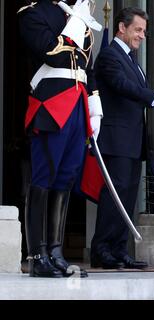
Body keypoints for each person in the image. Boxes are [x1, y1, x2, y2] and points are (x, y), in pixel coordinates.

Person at [90, 7, 154, 270]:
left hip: (132, 141)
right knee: (114, 196)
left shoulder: (132, 59)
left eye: (144, 31)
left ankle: (119, 249)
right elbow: (122, 86)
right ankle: (102, 249)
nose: (142, 36)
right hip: (116, 140)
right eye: (138, 30)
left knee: (128, 196)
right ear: (122, 28)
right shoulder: (110, 56)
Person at [18, 0, 103, 278]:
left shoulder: (75, 15)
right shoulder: (32, 13)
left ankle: (55, 251)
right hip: (51, 103)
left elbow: (87, 68)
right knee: (44, 177)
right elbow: (52, 53)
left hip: (77, 104)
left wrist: (94, 108)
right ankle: (36, 254)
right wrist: (77, 20)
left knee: (66, 178)